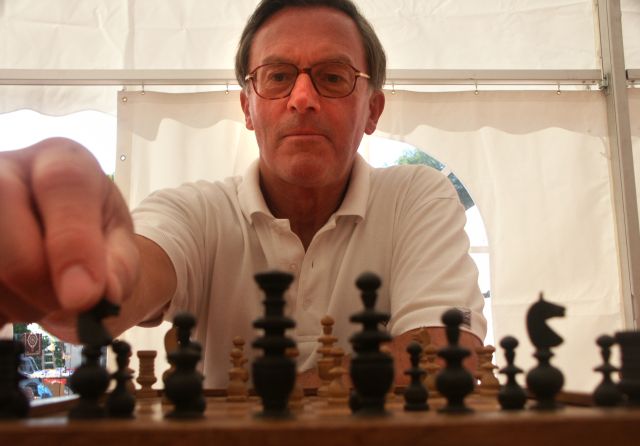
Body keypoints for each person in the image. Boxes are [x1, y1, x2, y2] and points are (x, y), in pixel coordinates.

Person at [0, 0, 486, 388]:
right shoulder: (193, 212)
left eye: (333, 77)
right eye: (277, 76)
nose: (302, 99)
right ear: (248, 107)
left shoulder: (416, 196)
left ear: (373, 110)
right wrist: (69, 267)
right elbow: (118, 287)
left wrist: (277, 401)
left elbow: (447, 356)